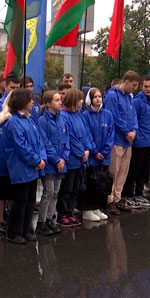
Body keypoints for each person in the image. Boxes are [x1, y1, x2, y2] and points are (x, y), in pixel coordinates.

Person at [4, 88, 47, 244]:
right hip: (21, 167)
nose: (33, 102)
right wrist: (36, 161)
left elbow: (39, 141)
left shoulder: (29, 120)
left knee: (30, 199)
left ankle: (26, 229)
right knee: (20, 200)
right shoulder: (13, 122)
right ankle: (14, 232)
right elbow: (21, 147)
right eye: (30, 100)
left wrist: (42, 158)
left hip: (32, 168)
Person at [104, 71, 139, 211]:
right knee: (114, 170)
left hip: (128, 141)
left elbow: (134, 116)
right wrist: (126, 131)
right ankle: (109, 198)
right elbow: (113, 116)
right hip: (117, 139)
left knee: (123, 171)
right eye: (134, 85)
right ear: (126, 81)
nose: (135, 88)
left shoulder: (130, 97)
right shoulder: (113, 96)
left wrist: (134, 131)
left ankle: (118, 197)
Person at [57, 88, 91, 227]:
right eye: (80, 99)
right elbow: (70, 138)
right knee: (67, 188)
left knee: (75, 187)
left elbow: (85, 134)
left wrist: (88, 149)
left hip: (80, 159)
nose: (82, 101)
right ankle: (62, 213)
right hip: (71, 159)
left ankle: (70, 211)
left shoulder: (79, 115)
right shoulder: (64, 116)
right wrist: (81, 153)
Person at [36, 90, 68, 235]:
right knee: (48, 192)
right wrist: (56, 159)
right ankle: (41, 222)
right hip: (50, 164)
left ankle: (50, 219)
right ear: (48, 103)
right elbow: (45, 142)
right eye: (56, 100)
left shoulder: (62, 119)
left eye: (60, 100)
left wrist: (64, 158)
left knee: (56, 192)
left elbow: (66, 139)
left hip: (61, 164)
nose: (60, 102)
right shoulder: (42, 121)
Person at [124, 74, 150, 208]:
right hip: (139, 141)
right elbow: (134, 120)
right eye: (146, 86)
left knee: (144, 171)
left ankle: (139, 193)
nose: (148, 89)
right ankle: (130, 194)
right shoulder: (137, 101)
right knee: (134, 169)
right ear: (142, 86)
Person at [80, 88, 114, 221]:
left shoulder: (108, 114)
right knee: (91, 183)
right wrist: (94, 151)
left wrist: (105, 151)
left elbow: (111, 134)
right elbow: (86, 134)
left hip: (103, 157)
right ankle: (88, 209)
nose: (98, 99)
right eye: (95, 97)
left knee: (102, 183)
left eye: (100, 96)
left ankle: (98, 207)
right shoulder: (85, 115)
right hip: (92, 158)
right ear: (90, 99)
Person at [0, 91, 16, 235]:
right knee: (0, 193)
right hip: (1, 161)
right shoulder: (3, 119)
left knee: (11, 194)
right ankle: (0, 220)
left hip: (12, 164)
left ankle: (12, 218)